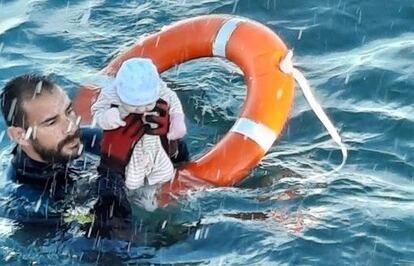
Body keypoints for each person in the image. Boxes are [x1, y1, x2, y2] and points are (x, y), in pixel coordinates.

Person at [91, 58, 187, 210]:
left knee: (163, 170)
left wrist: (177, 123)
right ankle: (135, 195)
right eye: (135, 106)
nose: (142, 110)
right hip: (128, 152)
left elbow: (174, 104)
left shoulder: (162, 91)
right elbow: (98, 109)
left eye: (148, 104)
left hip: (154, 143)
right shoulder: (111, 93)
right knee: (130, 180)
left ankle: (152, 192)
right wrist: (107, 117)